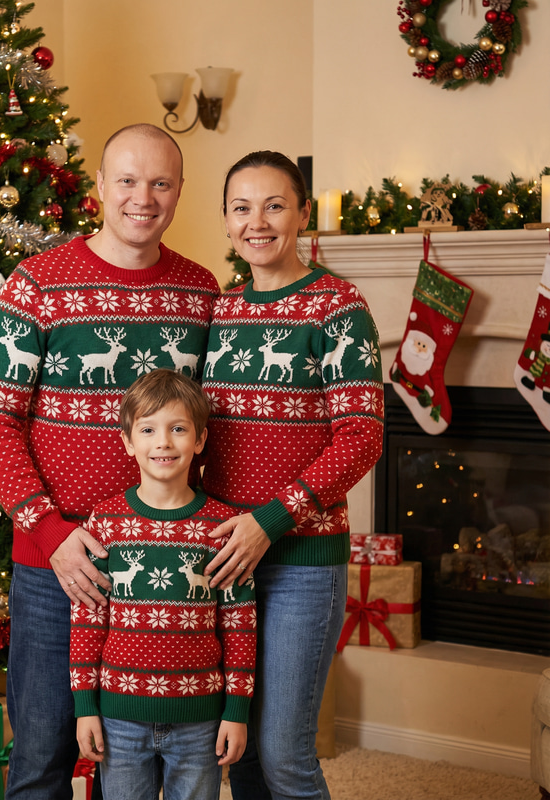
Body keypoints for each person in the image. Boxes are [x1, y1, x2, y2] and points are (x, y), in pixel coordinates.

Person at [0, 124, 220, 799]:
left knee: (141, 763)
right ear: (102, 188)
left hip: (167, 568)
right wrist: (48, 533)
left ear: (178, 192)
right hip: (60, 565)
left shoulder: (201, 293)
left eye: (161, 183)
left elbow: (214, 426)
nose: (144, 197)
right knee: (45, 756)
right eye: (129, 181)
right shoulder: (37, 285)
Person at [200, 151, 384, 800]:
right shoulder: (219, 313)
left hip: (302, 560)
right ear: (225, 221)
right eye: (242, 208)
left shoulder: (337, 306)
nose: (258, 222)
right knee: (239, 752)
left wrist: (270, 521)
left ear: (303, 214)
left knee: (284, 755)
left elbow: (361, 437)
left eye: (275, 205)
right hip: (226, 558)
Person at [71, 369, 256, 800]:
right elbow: (87, 620)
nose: (164, 442)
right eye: (149, 429)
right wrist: (86, 708)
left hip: (200, 720)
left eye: (178, 429)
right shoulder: (106, 522)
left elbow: (240, 628)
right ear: (127, 441)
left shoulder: (222, 530)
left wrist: (236, 710)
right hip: (120, 716)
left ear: (200, 440)